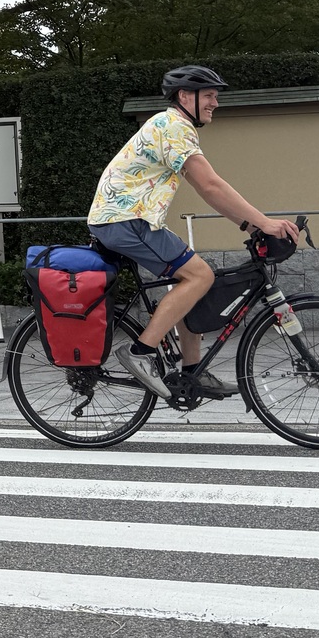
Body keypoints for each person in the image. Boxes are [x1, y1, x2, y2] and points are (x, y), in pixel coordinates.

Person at [86, 65, 300, 399]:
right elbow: (210, 184)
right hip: (127, 221)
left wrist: (248, 224)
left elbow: (207, 190)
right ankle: (140, 352)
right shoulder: (173, 126)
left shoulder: (171, 125)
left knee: (196, 282)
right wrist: (265, 223)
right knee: (199, 277)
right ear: (185, 96)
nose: (216, 103)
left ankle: (192, 371)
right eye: (210, 95)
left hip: (131, 220)